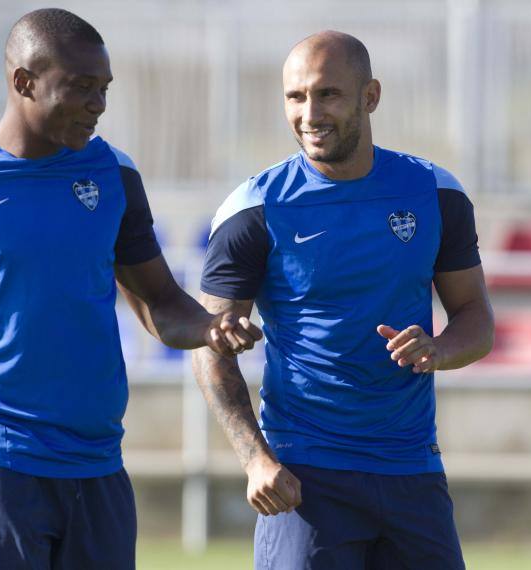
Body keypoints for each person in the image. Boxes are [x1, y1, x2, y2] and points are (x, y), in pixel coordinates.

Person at [0, 8, 262, 570]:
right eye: (81, 87)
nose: (98, 104)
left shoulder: (114, 175)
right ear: (23, 82)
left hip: (99, 468)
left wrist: (209, 328)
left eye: (104, 89)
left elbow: (160, 301)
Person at [192, 30, 494, 569]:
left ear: (370, 96)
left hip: (412, 471)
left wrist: (440, 351)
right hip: (305, 477)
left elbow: (475, 317)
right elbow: (208, 345)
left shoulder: (434, 193)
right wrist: (255, 459)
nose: (310, 113)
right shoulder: (253, 210)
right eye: (295, 96)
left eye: (327, 94)